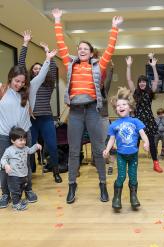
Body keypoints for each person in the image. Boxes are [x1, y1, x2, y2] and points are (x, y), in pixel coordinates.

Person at [52, 8, 123, 204]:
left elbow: (110, 49)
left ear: (91, 53)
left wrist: (114, 29)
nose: (81, 50)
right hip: (75, 112)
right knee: (74, 151)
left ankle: (102, 184)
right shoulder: (70, 65)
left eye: (85, 48)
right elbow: (60, 44)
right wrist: (58, 20)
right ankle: (72, 185)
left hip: (93, 110)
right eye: (79, 48)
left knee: (99, 149)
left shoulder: (98, 66)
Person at [0, 48, 56, 209]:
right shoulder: (2, 89)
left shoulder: (29, 90)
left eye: (22, 82)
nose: (19, 84)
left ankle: (28, 190)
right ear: (11, 78)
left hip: (24, 134)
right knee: (5, 165)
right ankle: (5, 193)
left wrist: (48, 59)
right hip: (4, 135)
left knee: (24, 164)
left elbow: (41, 76)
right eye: (16, 81)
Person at [18, 30, 62, 183]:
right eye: (35, 68)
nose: (37, 70)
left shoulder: (49, 85)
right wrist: (25, 43)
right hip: (31, 120)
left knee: (52, 145)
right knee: (28, 146)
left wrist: (47, 53)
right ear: (31, 72)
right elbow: (21, 65)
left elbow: (52, 68)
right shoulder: (28, 85)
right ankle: (30, 171)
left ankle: (56, 172)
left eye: (39, 68)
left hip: (46, 119)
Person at [103, 87, 149, 210]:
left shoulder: (136, 121)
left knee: (133, 176)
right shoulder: (114, 125)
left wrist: (146, 143)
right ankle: (116, 197)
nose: (121, 106)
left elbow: (143, 134)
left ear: (130, 107)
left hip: (133, 155)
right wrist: (107, 149)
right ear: (116, 109)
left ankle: (133, 196)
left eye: (124, 104)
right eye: (118, 105)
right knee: (121, 176)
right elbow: (112, 139)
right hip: (121, 156)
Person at [126, 55, 163, 173]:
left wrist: (153, 67)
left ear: (146, 83)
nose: (142, 83)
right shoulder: (135, 92)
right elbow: (129, 80)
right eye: (140, 82)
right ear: (138, 83)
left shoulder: (150, 92)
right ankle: (133, 163)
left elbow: (156, 80)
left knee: (151, 142)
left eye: (144, 82)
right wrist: (129, 66)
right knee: (135, 142)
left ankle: (155, 163)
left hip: (148, 120)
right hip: (137, 120)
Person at [0, 127, 42, 211]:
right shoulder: (9, 150)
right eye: (20, 140)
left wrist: (36, 146)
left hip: (23, 174)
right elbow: (3, 159)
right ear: (12, 141)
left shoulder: (25, 148)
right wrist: (6, 165)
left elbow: (30, 150)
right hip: (13, 176)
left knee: (21, 189)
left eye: (24, 140)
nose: (23, 142)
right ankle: (16, 205)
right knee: (15, 191)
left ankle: (18, 201)